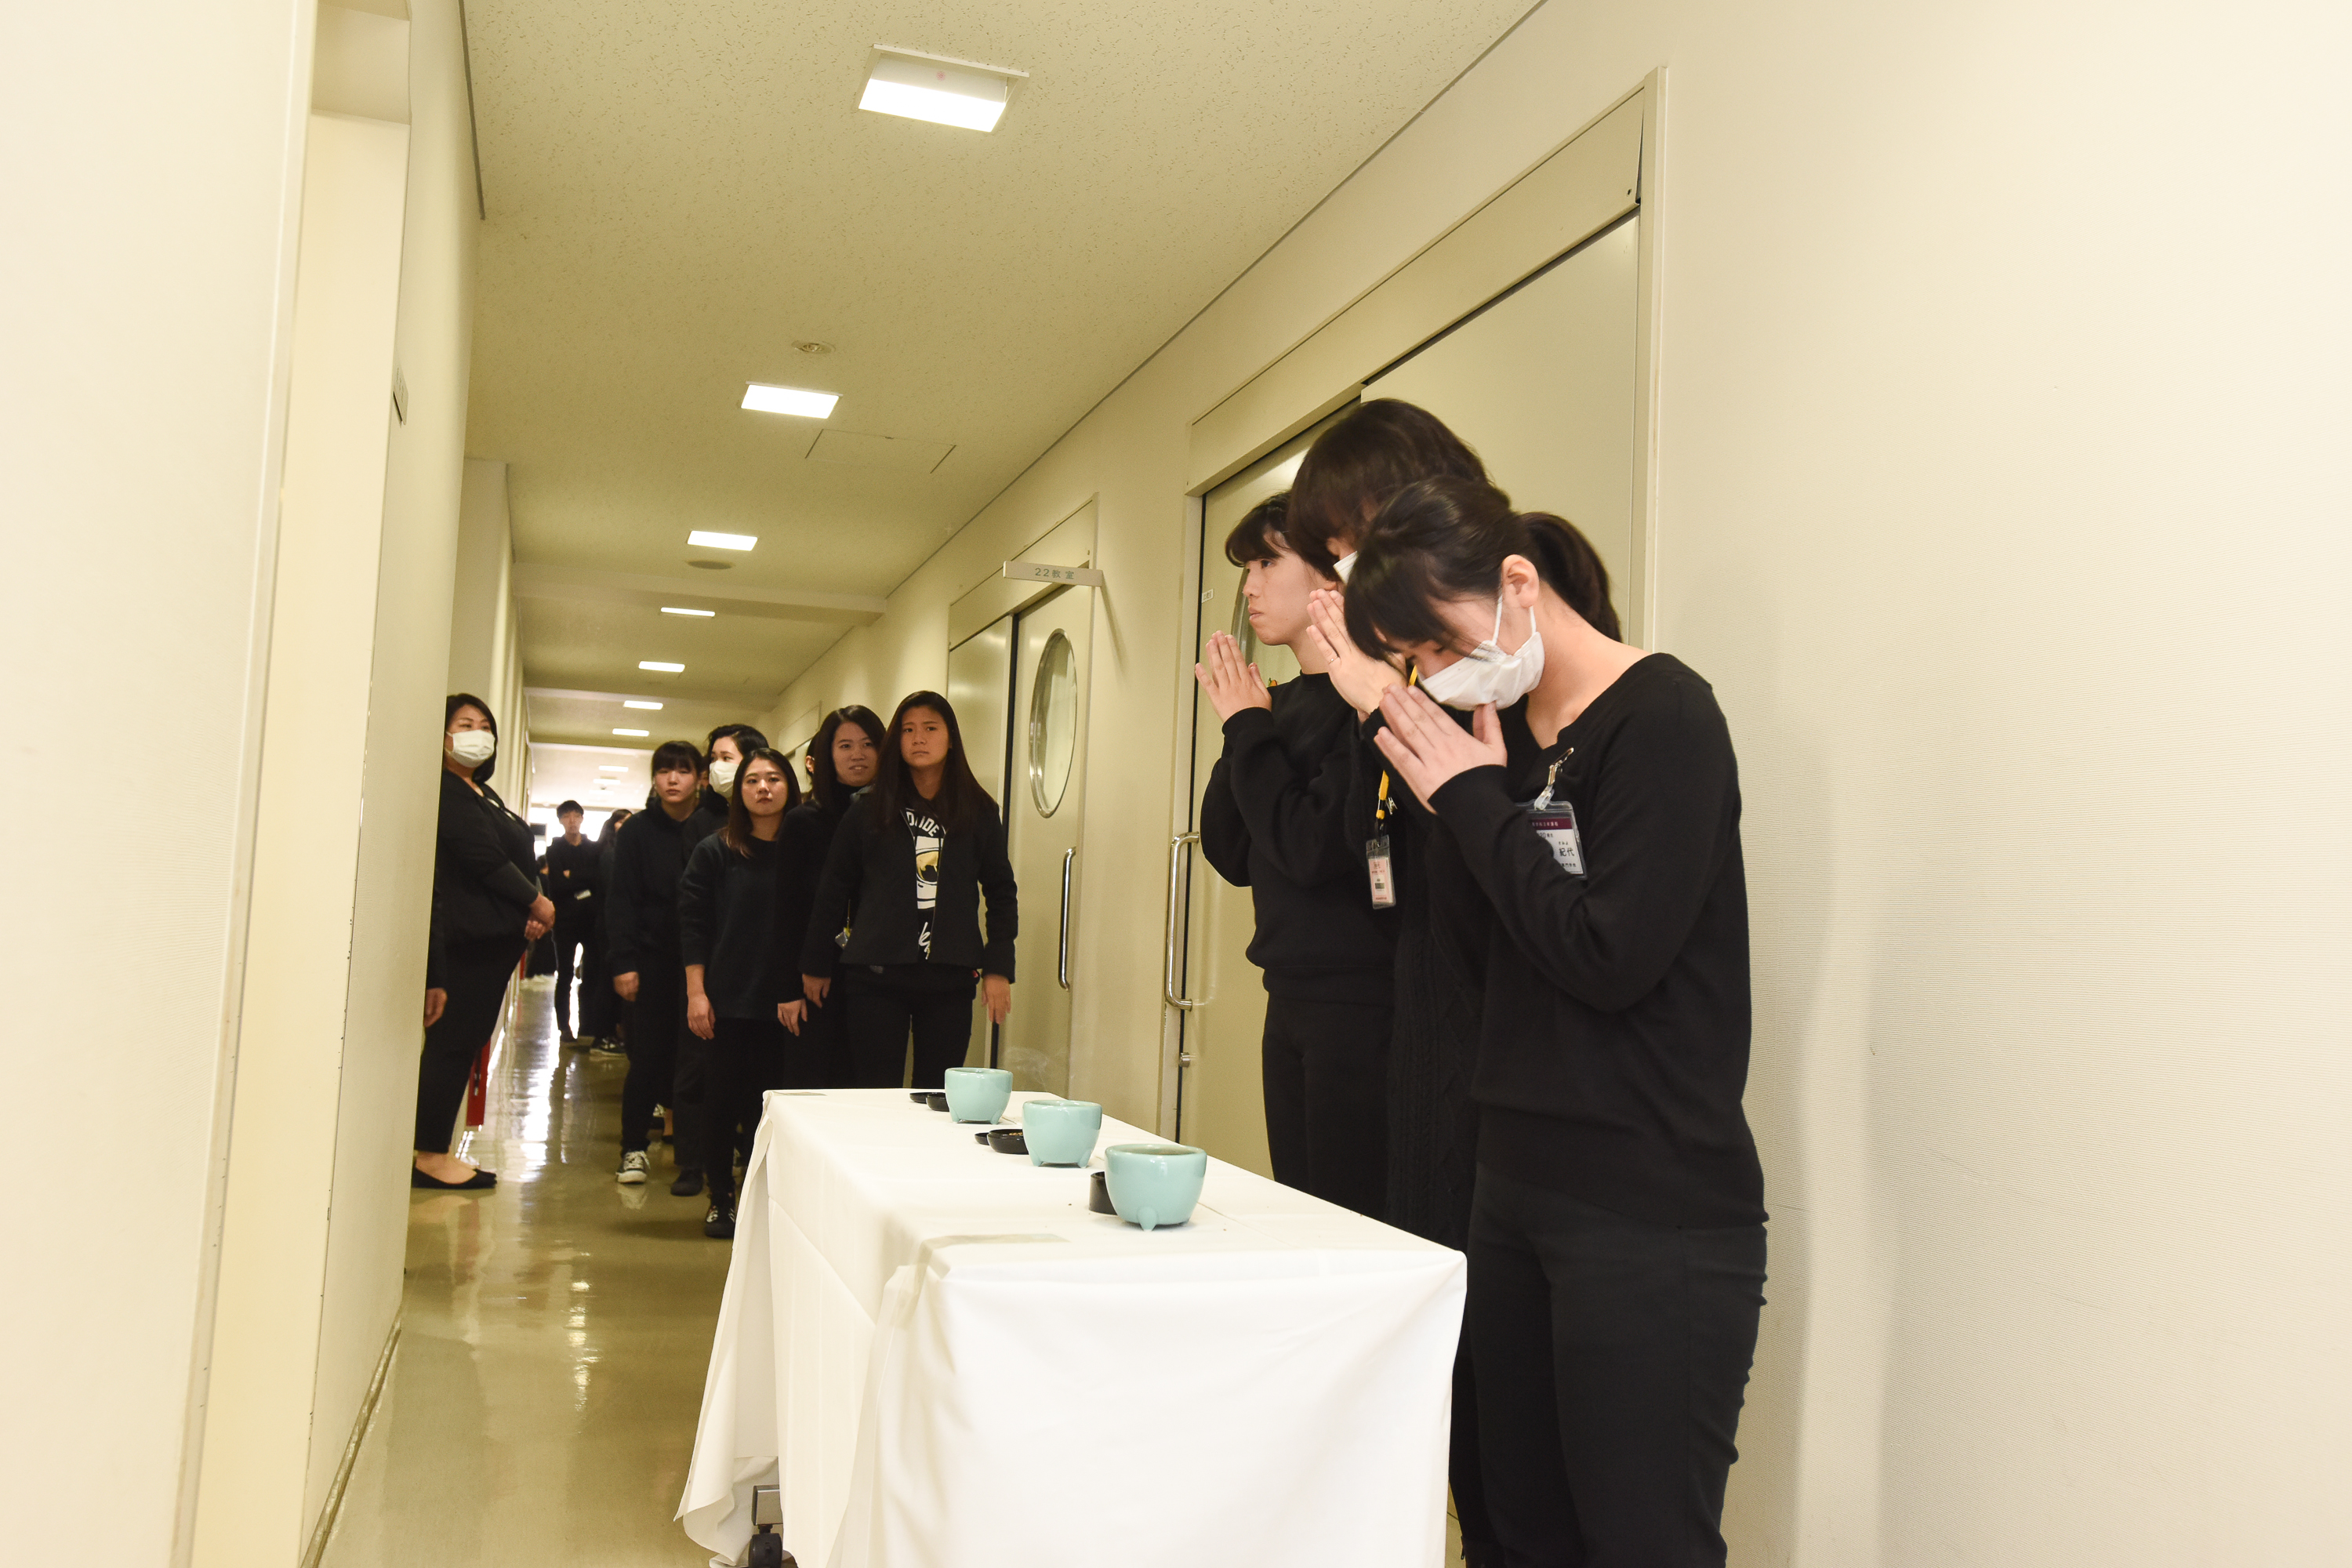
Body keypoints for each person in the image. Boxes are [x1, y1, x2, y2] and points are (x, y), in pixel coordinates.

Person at [1341, 474, 1766, 1567]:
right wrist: (1461, 808)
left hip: (1648, 1207)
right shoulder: (1506, 743)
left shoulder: (1665, 716)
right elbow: (1492, 968)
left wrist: (1477, 807)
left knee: (1637, 1539)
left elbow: (1608, 956)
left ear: (1516, 583)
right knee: (1515, 1528)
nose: (1434, 678)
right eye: (1414, 664)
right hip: (1515, 1185)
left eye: (1435, 647)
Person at [1294, 397, 1501, 1563]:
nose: (1338, 571)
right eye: (1330, 553)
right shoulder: (1384, 671)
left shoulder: (1487, 654)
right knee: (1444, 1391)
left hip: (1490, 1057)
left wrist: (1379, 690)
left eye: (1349, 540)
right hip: (1415, 1029)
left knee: (1503, 1419)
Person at [1194, 494, 1395, 1218]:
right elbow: (1232, 849)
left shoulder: (1369, 696)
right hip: (1289, 992)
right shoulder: (1282, 701)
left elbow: (1311, 848)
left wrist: (1251, 728)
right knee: (1300, 1207)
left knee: (1349, 1219)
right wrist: (1244, 726)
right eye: (1246, 567)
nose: (1249, 585)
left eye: (1266, 561)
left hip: (1364, 1002)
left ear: (1331, 575)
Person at [800, 692, 1016, 1089]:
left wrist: (998, 968)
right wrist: (815, 963)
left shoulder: (978, 809)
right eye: (908, 730)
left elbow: (1001, 891)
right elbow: (834, 889)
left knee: (937, 1095)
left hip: (950, 975)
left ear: (951, 737)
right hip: (876, 974)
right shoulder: (866, 808)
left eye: (930, 729)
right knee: (876, 1092)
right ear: (895, 743)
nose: (919, 739)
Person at [677, 748, 828, 1238]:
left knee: (772, 1108)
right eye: (752, 781)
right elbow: (693, 928)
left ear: (792, 786)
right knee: (720, 1103)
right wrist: (696, 994)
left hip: (790, 1003)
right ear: (738, 792)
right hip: (728, 1000)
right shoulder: (715, 850)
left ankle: (767, 1198)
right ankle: (720, 1198)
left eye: (774, 779)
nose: (764, 788)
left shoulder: (809, 849)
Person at [416, 695, 553, 1189]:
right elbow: (485, 860)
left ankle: (436, 1147)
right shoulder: (446, 791)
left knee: (465, 1040)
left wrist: (528, 910)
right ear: (443, 732)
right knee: (451, 1045)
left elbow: (510, 861)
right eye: (464, 724)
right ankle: (429, 1155)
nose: (477, 733)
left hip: (496, 940)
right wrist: (538, 904)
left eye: (484, 726)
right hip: (464, 943)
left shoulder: (481, 792)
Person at [607, 741, 717, 1196]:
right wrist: (623, 962)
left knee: (696, 1059)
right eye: (664, 771)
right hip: (650, 960)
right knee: (648, 1057)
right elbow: (621, 901)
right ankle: (634, 1147)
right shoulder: (636, 832)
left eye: (683, 770)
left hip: (702, 964)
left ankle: (697, 1150)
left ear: (699, 778)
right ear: (654, 779)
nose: (673, 779)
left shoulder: (711, 827)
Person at [790, 705, 887, 1086]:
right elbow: (788, 909)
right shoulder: (804, 820)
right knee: (813, 1082)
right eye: (844, 745)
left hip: (877, 975)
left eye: (867, 744)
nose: (857, 754)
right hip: (815, 974)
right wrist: (798, 977)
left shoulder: (893, 818)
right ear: (827, 755)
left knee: (867, 1084)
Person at [543, 800, 601, 1044]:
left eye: (576, 816)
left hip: (590, 918)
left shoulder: (594, 848)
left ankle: (589, 1025)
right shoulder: (554, 850)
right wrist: (583, 882)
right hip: (565, 921)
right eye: (567, 816)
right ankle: (564, 1027)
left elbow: (598, 881)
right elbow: (556, 885)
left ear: (582, 818)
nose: (572, 821)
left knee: (592, 973)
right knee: (565, 974)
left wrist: (573, 876)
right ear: (560, 821)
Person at [579, 807, 630, 1051]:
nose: (628, 826)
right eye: (622, 822)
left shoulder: (622, 853)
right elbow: (613, 894)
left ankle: (610, 1033)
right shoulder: (611, 855)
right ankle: (603, 1035)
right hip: (610, 926)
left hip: (612, 924)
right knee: (607, 981)